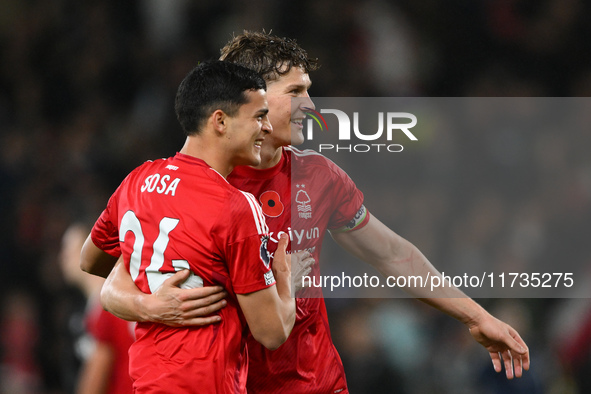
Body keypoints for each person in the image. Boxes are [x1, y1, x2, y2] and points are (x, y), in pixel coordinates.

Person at [98, 32, 530, 393]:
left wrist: (478, 316)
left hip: (316, 382)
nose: (312, 106)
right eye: (296, 92)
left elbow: (392, 254)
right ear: (252, 98)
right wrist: (148, 307)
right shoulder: (197, 188)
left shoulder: (318, 176)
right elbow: (112, 274)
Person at [80, 60, 296, 393]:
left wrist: (142, 301)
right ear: (220, 121)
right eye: (258, 116)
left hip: (149, 382)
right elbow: (272, 333)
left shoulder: (136, 182)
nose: (266, 128)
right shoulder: (235, 206)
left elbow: (90, 260)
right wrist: (287, 278)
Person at [59, 223, 134, 394]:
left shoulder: (106, 308)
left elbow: (96, 374)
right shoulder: (120, 297)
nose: (62, 256)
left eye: (69, 249)